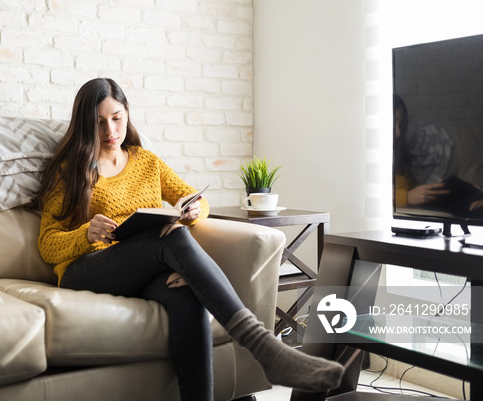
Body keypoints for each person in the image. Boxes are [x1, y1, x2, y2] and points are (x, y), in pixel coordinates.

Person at [30, 78, 343, 400]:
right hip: (85, 269)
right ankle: (262, 346)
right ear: (85, 124)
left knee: (185, 294)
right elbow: (47, 244)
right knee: (170, 233)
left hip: (142, 268)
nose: (110, 129)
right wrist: (86, 233)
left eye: (116, 117)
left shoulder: (146, 162)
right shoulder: (71, 170)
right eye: (98, 122)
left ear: (127, 114)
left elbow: (192, 198)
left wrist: (195, 210)